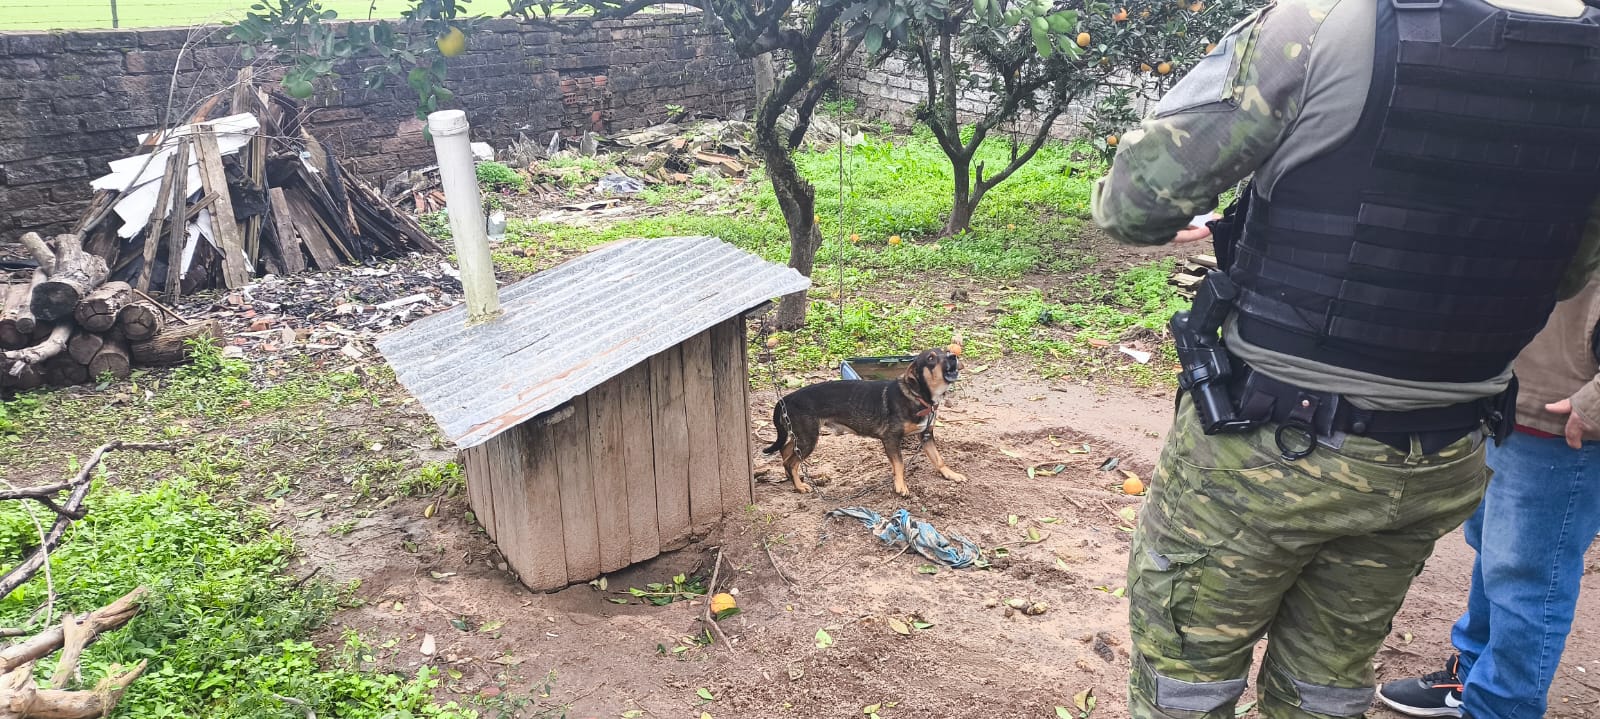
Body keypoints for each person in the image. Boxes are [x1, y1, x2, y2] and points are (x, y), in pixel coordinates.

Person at [1089, 0, 1600, 714]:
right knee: (1325, 682)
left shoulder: (1324, 23)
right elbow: (1569, 274)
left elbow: (1133, 203)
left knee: (1186, 677)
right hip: (1438, 454)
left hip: (1266, 447)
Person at [1376, 279, 1600, 719]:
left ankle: (1500, 709)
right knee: (1496, 552)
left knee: (1528, 575)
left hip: (1562, 412)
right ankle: (1474, 675)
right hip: (1508, 393)